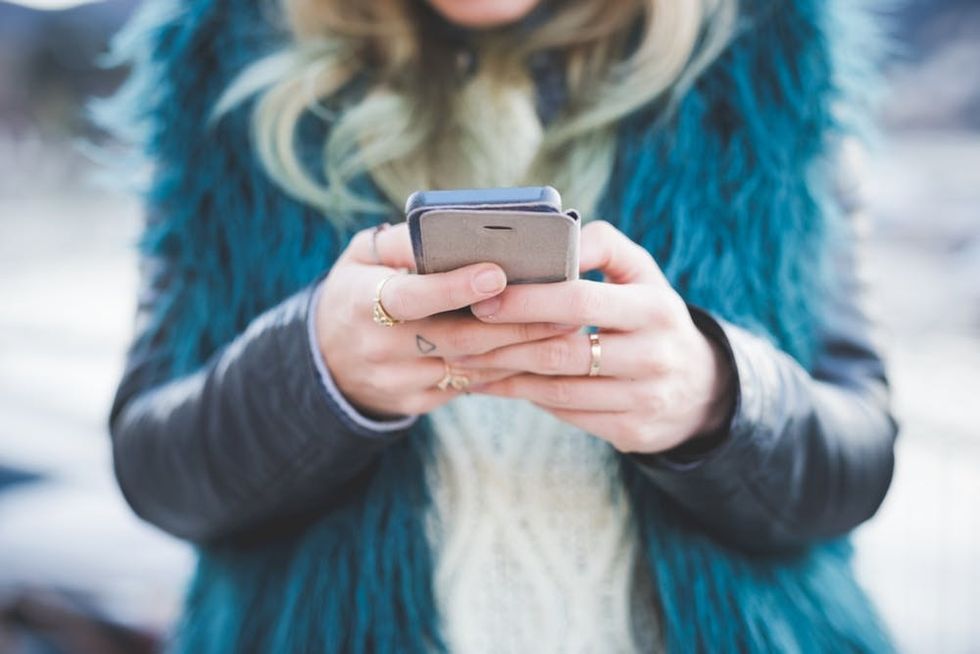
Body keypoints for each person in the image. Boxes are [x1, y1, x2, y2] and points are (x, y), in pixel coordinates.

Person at [104, 0, 899, 651]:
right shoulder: (221, 63)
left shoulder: (774, 55)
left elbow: (857, 462)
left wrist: (716, 397)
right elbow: (155, 469)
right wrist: (312, 370)